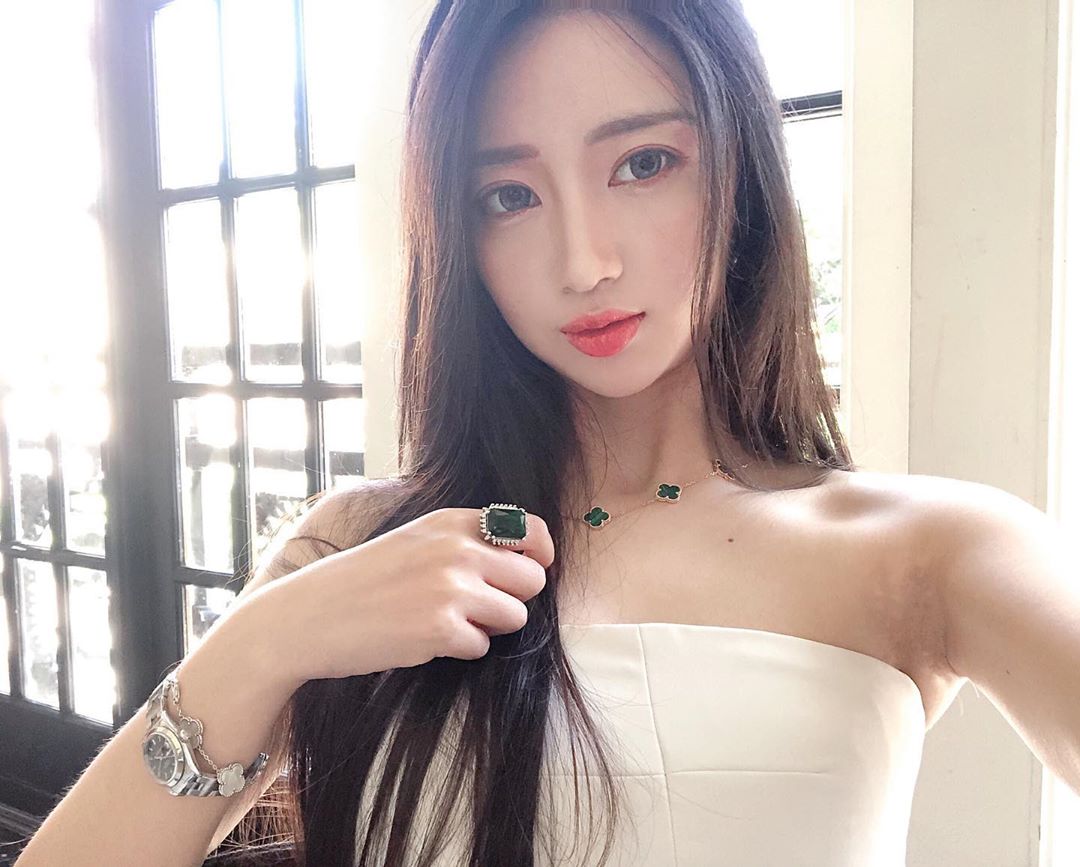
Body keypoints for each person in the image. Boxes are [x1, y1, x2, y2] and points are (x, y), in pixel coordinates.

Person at [18, 1, 1080, 866]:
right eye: (509, 194)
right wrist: (264, 643)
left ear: (741, 166)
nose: (583, 262)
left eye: (644, 163)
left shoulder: (930, 554)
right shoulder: (357, 545)